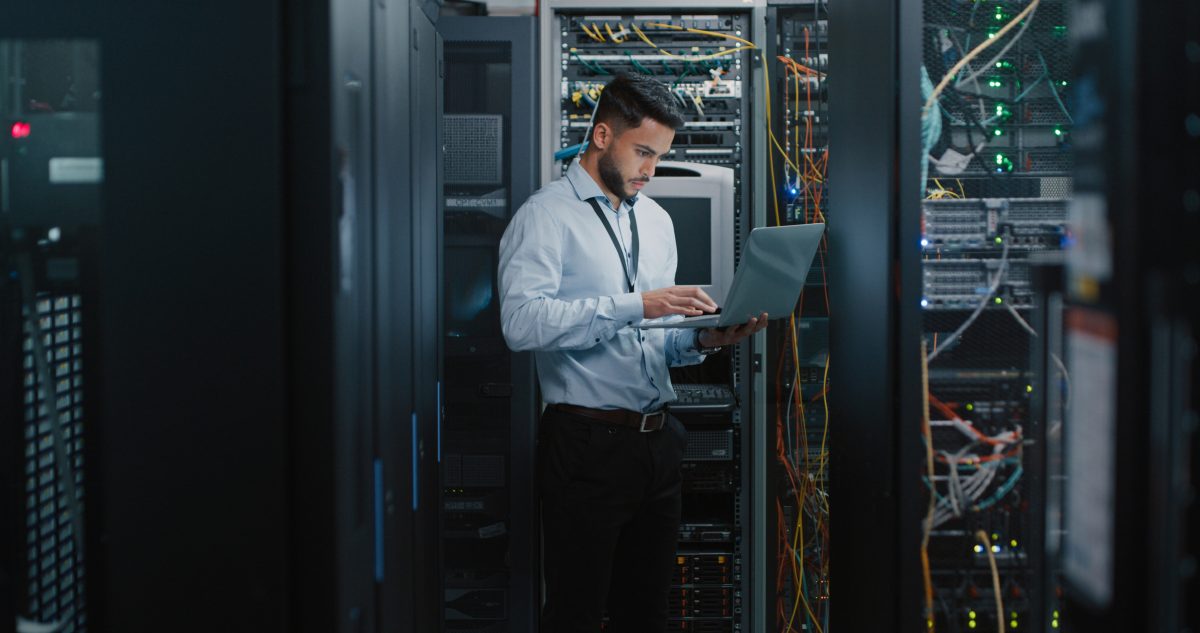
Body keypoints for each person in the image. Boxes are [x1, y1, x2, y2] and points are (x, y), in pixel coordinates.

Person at [498, 73, 766, 633]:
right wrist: (635, 305)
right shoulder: (544, 217)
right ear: (602, 135)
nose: (651, 170)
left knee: (646, 614)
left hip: (658, 443)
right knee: (574, 612)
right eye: (642, 152)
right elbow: (521, 324)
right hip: (585, 444)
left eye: (660, 156)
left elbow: (652, 337)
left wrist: (702, 339)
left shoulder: (656, 221)